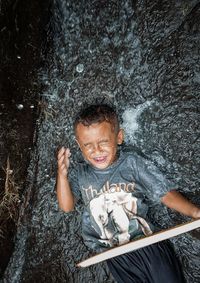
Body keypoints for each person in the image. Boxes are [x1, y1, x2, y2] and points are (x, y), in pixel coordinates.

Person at [56, 104, 200, 283]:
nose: (97, 150)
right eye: (88, 145)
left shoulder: (131, 163)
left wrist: (194, 212)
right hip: (115, 256)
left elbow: (163, 193)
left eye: (103, 142)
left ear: (119, 137)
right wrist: (62, 176)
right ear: (79, 145)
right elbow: (67, 207)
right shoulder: (80, 173)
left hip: (149, 245)